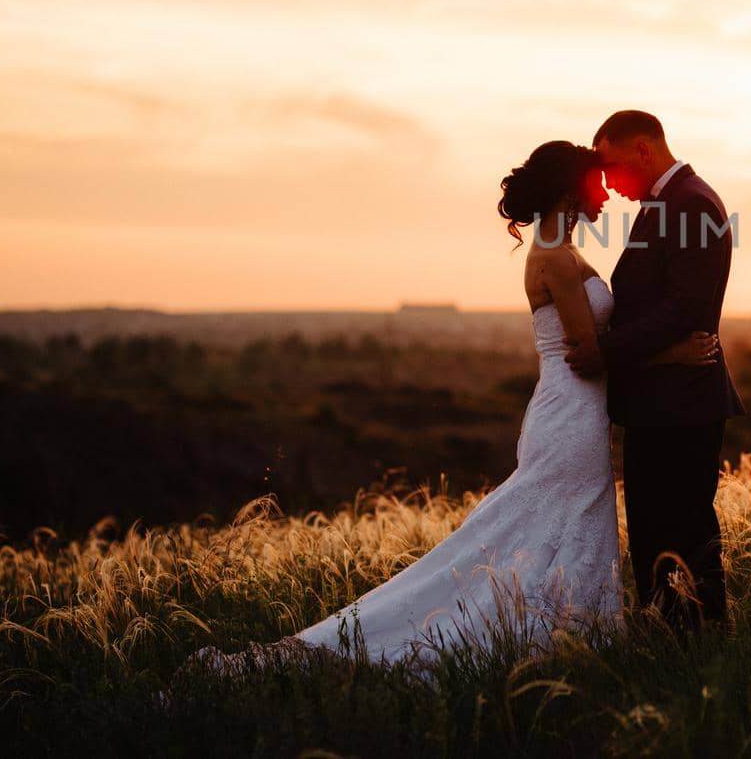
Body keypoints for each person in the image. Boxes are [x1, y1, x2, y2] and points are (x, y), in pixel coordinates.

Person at [183, 139, 719, 676]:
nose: (605, 192)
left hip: (580, 415)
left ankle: (564, 635)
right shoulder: (554, 258)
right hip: (569, 415)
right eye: (595, 182)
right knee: (557, 523)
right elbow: (585, 356)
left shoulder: (567, 251)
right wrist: (672, 352)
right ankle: (521, 633)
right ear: (568, 192)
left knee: (566, 525)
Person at [565, 110, 745, 630]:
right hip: (660, 399)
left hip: (681, 403)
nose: (608, 182)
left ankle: (697, 647)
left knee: (682, 533)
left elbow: (684, 308)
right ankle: (670, 640)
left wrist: (605, 351)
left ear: (644, 151)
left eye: (613, 167)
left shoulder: (690, 203)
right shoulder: (664, 205)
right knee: (654, 534)